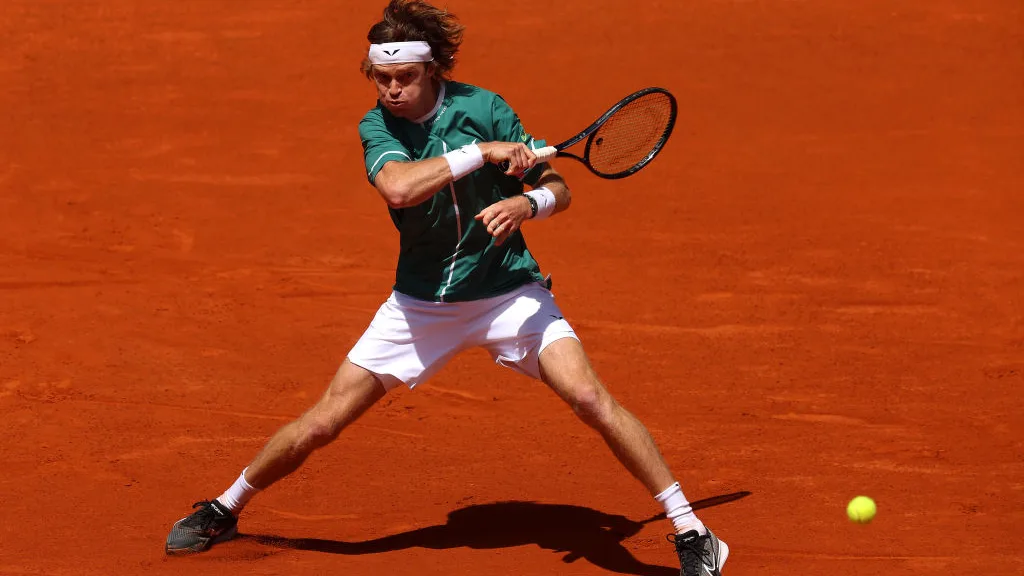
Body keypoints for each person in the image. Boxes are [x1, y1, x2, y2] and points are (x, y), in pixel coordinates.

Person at [164, 1, 728, 574]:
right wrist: (480, 152)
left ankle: (691, 529)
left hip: (509, 291)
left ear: (432, 69)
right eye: (381, 77)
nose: (392, 89)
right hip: (422, 305)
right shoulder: (378, 127)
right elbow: (399, 188)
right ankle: (224, 507)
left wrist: (528, 203)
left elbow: (559, 187)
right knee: (323, 422)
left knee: (589, 398)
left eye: (405, 76)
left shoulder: (485, 107)